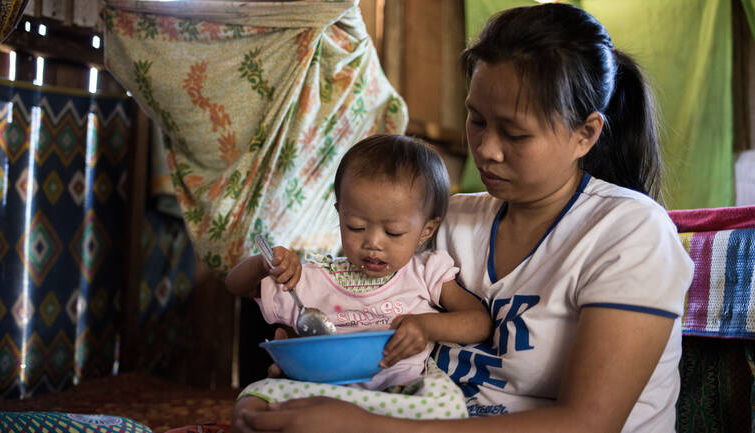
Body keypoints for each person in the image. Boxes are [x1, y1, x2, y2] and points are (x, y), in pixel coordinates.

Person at [231, 3, 694, 433]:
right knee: (259, 412)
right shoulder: (447, 220)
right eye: (476, 121)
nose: (487, 151)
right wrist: (324, 360)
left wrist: (365, 426)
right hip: (412, 412)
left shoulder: (630, 233)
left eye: (515, 133)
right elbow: (363, 303)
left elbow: (588, 423)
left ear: (585, 134)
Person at [225, 134, 493, 414]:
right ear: (340, 213)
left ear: (426, 230)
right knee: (254, 398)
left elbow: (479, 323)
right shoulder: (315, 278)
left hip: (400, 394)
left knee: (447, 403)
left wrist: (426, 326)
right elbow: (237, 286)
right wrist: (262, 264)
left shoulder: (425, 272)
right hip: (323, 392)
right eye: (355, 226)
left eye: (393, 232)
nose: (373, 243)